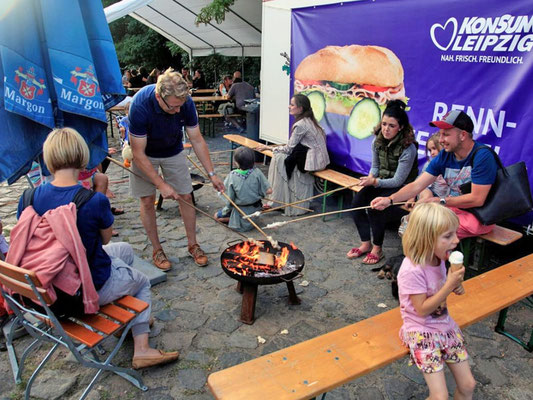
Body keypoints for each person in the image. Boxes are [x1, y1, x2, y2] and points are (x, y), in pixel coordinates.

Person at [15, 127, 179, 369]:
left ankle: (131, 319)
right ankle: (142, 350)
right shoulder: (92, 200)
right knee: (142, 281)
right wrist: (99, 191)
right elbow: (104, 239)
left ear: (48, 160)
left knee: (123, 251)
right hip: (78, 291)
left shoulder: (28, 197)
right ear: (83, 158)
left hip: (45, 287)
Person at [129, 68, 224, 270]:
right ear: (159, 96)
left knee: (186, 196)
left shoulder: (185, 103)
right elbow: (138, 152)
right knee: (147, 200)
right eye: (173, 107)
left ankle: (193, 245)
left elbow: (197, 139)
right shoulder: (140, 105)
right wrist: (161, 184)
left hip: (173, 150)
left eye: (180, 106)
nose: (178, 111)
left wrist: (212, 174)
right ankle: (157, 249)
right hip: (145, 154)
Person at [371, 110, 498, 239]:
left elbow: (477, 199)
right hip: (454, 209)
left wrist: (440, 201)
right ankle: (417, 257)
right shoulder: (445, 155)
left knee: (428, 229)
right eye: (440, 134)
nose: (441, 140)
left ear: (463, 135)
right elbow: (417, 185)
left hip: (478, 216)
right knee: (419, 221)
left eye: (446, 135)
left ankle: (424, 258)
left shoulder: (482, 156)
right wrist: (390, 200)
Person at [398, 202, 475, 400]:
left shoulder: (439, 258)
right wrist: (449, 285)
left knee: (468, 385)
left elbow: (444, 289)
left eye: (455, 233)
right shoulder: (411, 270)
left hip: (445, 327)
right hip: (421, 331)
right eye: (448, 236)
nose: (456, 240)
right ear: (427, 238)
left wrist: (456, 284)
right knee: (439, 396)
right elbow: (422, 310)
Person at [347, 100, 419, 265]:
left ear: (400, 127)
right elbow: (376, 167)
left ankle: (377, 249)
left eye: (391, 126)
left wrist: (375, 182)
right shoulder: (377, 141)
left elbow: (398, 180)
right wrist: (369, 179)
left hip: (402, 187)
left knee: (375, 207)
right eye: (384, 124)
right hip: (380, 182)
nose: (386, 129)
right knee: (356, 203)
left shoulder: (408, 148)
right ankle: (366, 243)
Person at [257, 94, 330, 216]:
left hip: (314, 163)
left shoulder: (301, 124)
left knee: (279, 158)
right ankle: (279, 200)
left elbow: (288, 148)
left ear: (300, 108)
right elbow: (292, 145)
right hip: (319, 160)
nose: (289, 107)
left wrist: (268, 147)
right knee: (282, 158)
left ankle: (279, 200)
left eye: (292, 104)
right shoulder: (309, 121)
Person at [214, 147, 272, 231]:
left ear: (236, 163)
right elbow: (269, 190)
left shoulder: (233, 175)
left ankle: (236, 221)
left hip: (240, 211)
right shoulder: (257, 172)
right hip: (255, 210)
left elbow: (228, 197)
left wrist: (220, 191)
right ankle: (245, 219)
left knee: (216, 216)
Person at [419, 132, 448, 201]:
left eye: (434, 148)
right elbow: (418, 184)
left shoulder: (452, 164)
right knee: (426, 194)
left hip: (445, 198)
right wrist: (411, 198)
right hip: (431, 193)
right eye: (430, 150)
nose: (432, 153)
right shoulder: (429, 164)